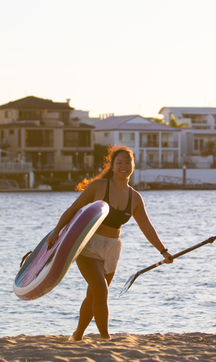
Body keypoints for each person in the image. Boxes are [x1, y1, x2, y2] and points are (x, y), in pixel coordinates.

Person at [47, 145, 172, 340]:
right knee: (101, 289)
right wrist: (56, 232)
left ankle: (77, 335)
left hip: (112, 249)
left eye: (127, 162)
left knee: (95, 294)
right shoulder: (98, 187)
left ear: (133, 165)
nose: (124, 166)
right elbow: (74, 209)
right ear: (112, 166)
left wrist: (163, 251)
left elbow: (147, 227)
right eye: (119, 162)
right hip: (88, 245)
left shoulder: (135, 197)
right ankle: (106, 338)